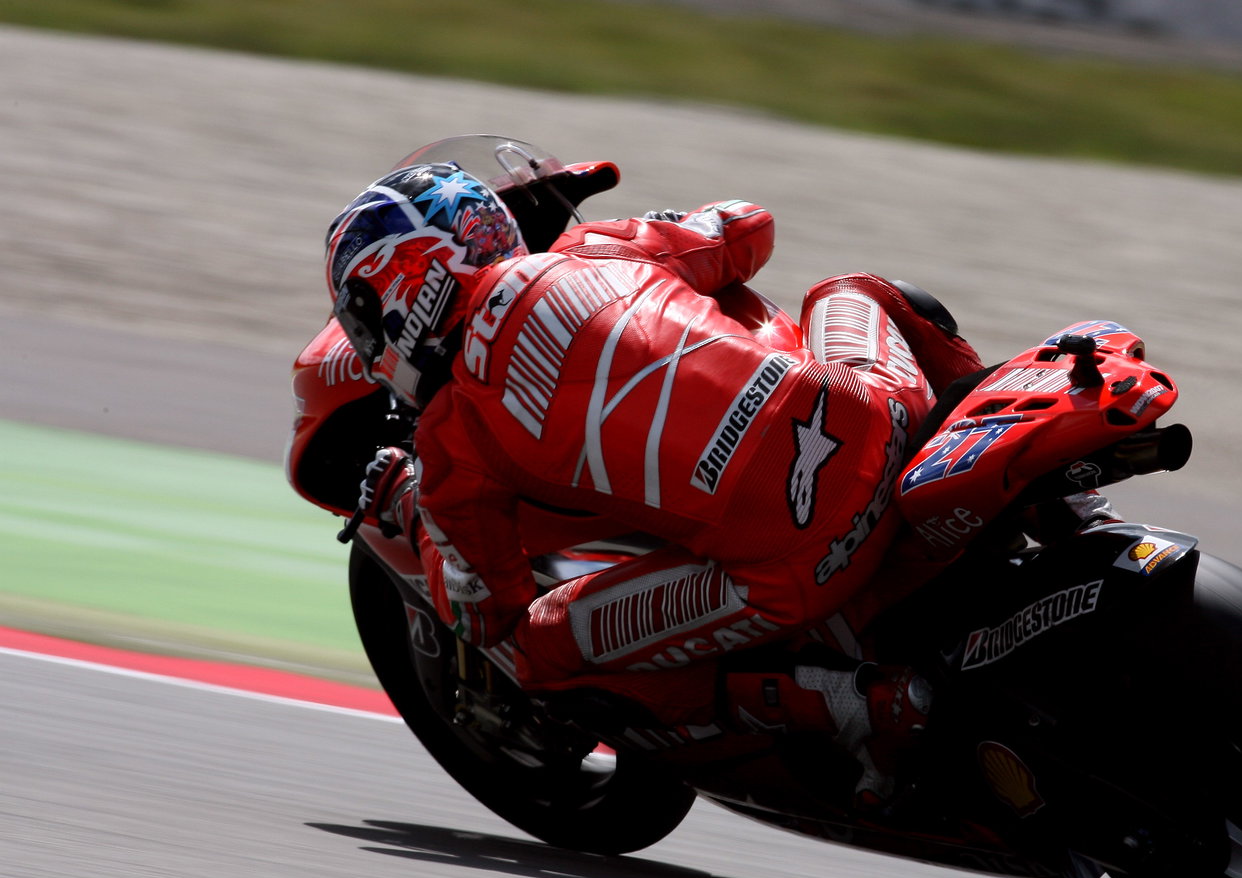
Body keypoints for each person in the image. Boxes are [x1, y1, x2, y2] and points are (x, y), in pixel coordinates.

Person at [319, 139, 986, 809]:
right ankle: (1004, 461)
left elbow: (481, 608)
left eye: (362, 320)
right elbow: (749, 226)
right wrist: (679, 230)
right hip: (883, 416)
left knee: (537, 646)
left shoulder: (452, 435)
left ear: (400, 293)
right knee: (853, 292)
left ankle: (853, 702)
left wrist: (403, 503)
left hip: (797, 566)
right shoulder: (596, 248)